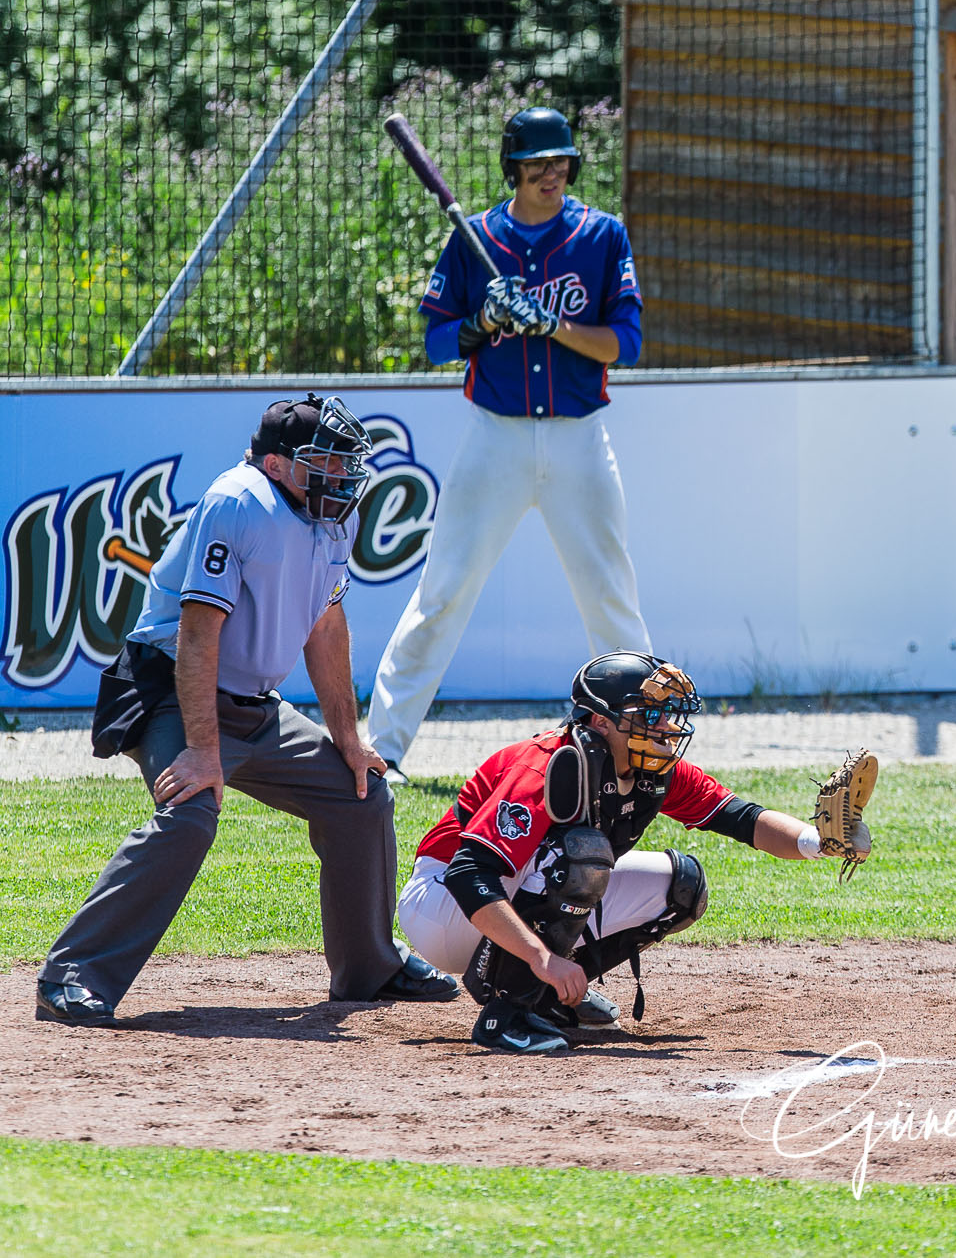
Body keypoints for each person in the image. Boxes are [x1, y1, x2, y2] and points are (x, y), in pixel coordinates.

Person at [36, 394, 459, 1026]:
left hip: (252, 703)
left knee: (361, 794)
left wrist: (347, 739)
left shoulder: (327, 514)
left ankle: (369, 967)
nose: (343, 477)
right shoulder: (240, 501)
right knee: (189, 816)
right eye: (327, 463)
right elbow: (199, 631)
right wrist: (203, 752)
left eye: (346, 465)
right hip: (171, 690)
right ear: (277, 463)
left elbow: (325, 626)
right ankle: (72, 974)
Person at [398, 651, 879, 1054]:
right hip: (443, 908)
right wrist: (542, 957)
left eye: (666, 714)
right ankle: (507, 1014)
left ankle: (544, 999)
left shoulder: (653, 768)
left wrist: (820, 842)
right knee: (581, 857)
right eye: (648, 715)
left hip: (506, 895)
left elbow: (742, 818)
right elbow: (468, 872)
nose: (665, 726)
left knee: (682, 885)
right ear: (601, 722)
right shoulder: (552, 763)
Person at [369, 105, 652, 780]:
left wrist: (552, 326)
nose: (552, 173)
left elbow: (627, 342)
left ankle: (643, 744)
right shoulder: (480, 239)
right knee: (444, 590)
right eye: (538, 162)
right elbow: (438, 339)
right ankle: (383, 746)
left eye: (561, 161)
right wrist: (483, 320)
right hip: (494, 437)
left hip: (579, 438)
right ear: (513, 169)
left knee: (610, 594)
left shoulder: (601, 236)